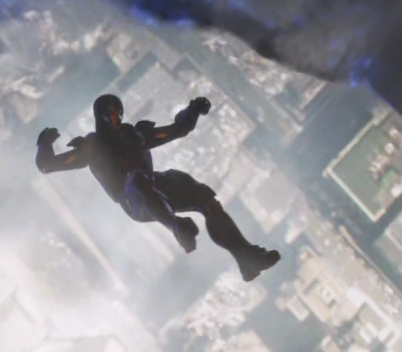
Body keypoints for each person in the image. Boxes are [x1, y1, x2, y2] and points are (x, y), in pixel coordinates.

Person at [35, 93, 282, 282]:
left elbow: (177, 130)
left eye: (118, 114)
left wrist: (193, 110)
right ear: (100, 117)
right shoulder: (93, 146)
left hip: (152, 185)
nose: (115, 119)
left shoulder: (133, 135)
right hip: (133, 200)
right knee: (137, 180)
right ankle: (176, 226)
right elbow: (47, 165)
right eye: (110, 114)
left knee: (200, 194)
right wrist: (44, 143)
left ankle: (245, 257)